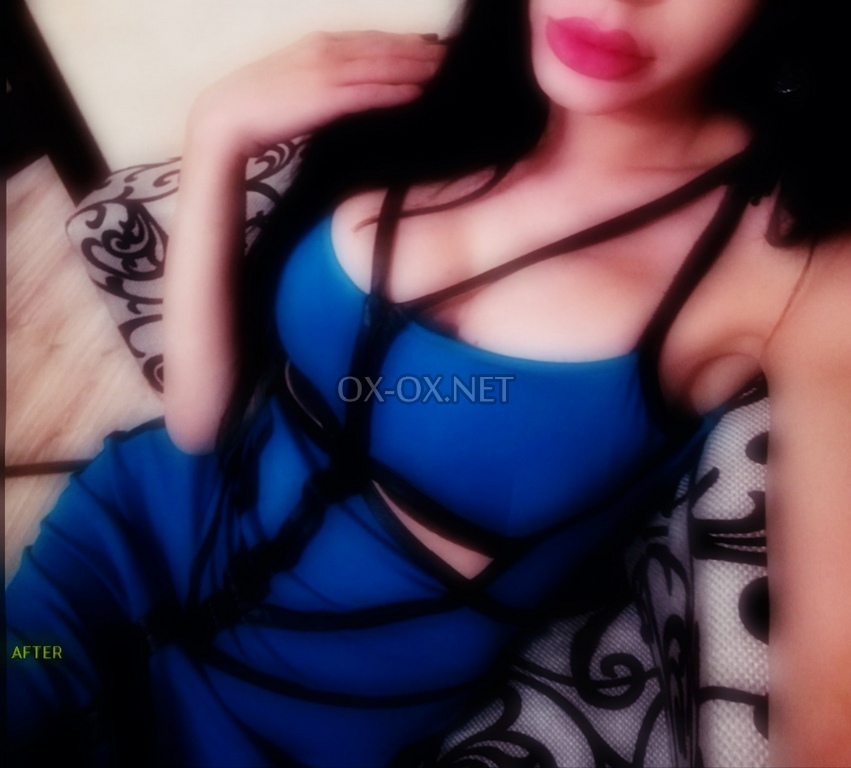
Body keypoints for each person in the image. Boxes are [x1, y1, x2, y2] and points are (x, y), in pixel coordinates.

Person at [7, 1, 851, 766]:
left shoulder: (795, 269)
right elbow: (199, 426)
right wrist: (217, 133)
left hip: (296, 716)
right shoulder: (420, 95)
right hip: (124, 554)